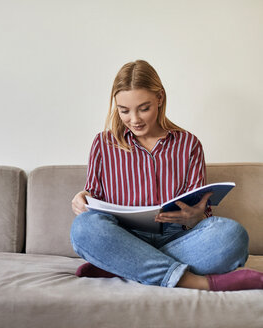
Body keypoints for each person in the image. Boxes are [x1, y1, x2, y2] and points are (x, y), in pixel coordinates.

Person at [70, 59, 263, 291]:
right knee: (83, 227)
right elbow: (94, 199)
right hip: (124, 236)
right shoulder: (103, 143)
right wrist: (82, 198)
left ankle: (121, 265)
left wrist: (195, 217)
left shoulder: (188, 143)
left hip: (177, 237)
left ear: (159, 98)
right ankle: (196, 282)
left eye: (144, 108)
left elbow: (201, 210)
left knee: (233, 236)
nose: (135, 119)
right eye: (124, 111)